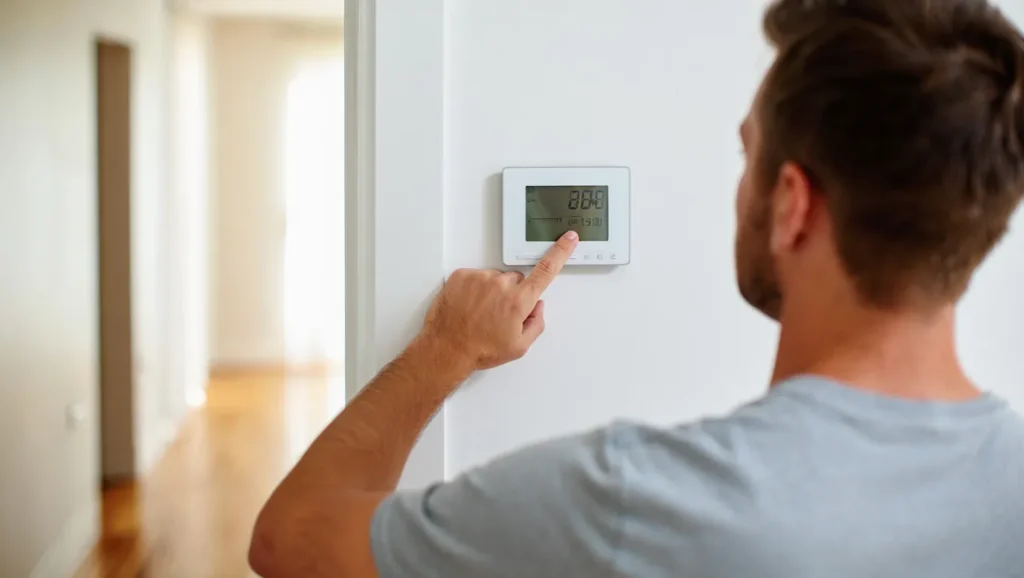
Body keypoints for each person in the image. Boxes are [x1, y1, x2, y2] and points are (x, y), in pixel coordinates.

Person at [249, 0, 1024, 576]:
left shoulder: (632, 497)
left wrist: (443, 350)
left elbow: (289, 540)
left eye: (746, 155)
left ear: (790, 204)